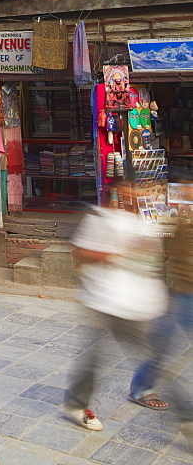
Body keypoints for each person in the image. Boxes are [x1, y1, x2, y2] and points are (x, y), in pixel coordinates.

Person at [64, 179, 168, 431]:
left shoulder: (148, 224)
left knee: (155, 355)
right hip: (103, 299)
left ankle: (180, 415)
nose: (134, 198)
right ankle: (77, 405)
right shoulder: (100, 218)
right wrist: (117, 252)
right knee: (95, 356)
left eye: (139, 193)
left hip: (135, 303)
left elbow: (154, 261)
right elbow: (80, 254)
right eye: (128, 193)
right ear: (118, 194)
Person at [130, 203, 193, 448]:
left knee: (162, 346)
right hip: (182, 293)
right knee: (162, 348)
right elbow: (160, 250)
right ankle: (141, 388)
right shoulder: (180, 220)